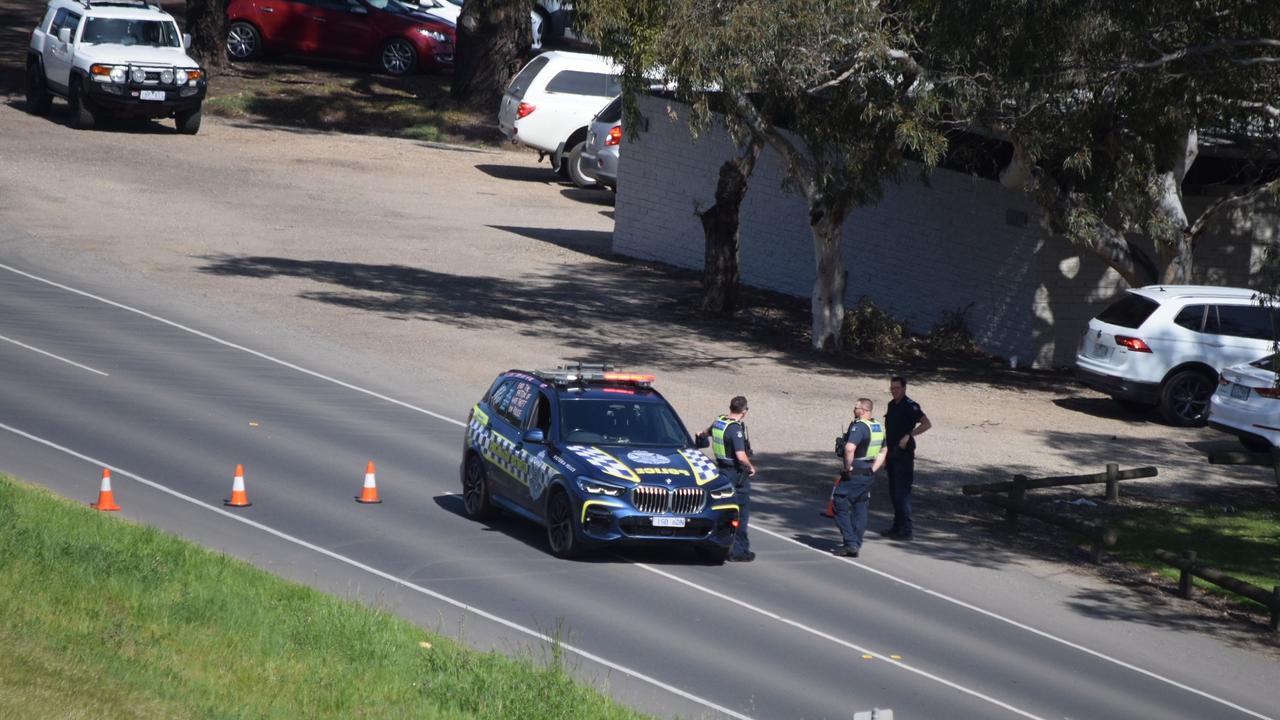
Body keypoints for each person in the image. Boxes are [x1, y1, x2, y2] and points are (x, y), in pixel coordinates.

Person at [697, 396, 756, 562]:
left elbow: (704, 433)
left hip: (721, 471)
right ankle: (739, 551)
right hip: (736, 474)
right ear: (744, 411)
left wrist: (699, 437)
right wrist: (751, 467)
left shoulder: (719, 421)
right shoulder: (735, 429)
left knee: (722, 509)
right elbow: (741, 455)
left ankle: (714, 542)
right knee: (741, 513)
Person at [832, 397, 886, 557]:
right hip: (868, 473)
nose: (854, 410)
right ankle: (856, 541)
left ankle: (850, 543)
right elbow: (884, 452)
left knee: (839, 502)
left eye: (856, 408)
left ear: (864, 410)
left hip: (855, 473)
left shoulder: (860, 427)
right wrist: (873, 470)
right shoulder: (878, 426)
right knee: (860, 506)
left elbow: (849, 448)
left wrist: (847, 469)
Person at [880, 376, 931, 541]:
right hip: (892, 452)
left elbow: (926, 424)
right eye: (892, 388)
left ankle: (906, 529)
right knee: (893, 492)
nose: (894, 391)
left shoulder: (911, 406)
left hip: (904, 455)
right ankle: (896, 527)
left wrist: (909, 435)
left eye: (897, 388)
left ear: (904, 388)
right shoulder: (891, 405)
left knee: (902, 493)